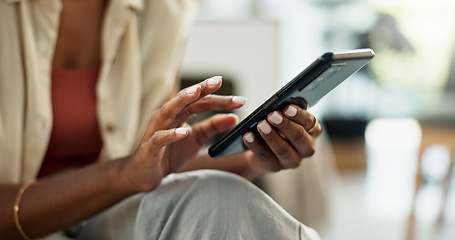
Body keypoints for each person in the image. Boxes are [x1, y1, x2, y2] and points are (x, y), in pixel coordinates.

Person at [0, 0, 323, 239]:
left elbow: (143, 171)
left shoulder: (165, 9)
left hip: (105, 209)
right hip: (24, 218)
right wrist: (123, 174)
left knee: (220, 198)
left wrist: (254, 158)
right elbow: (126, 174)